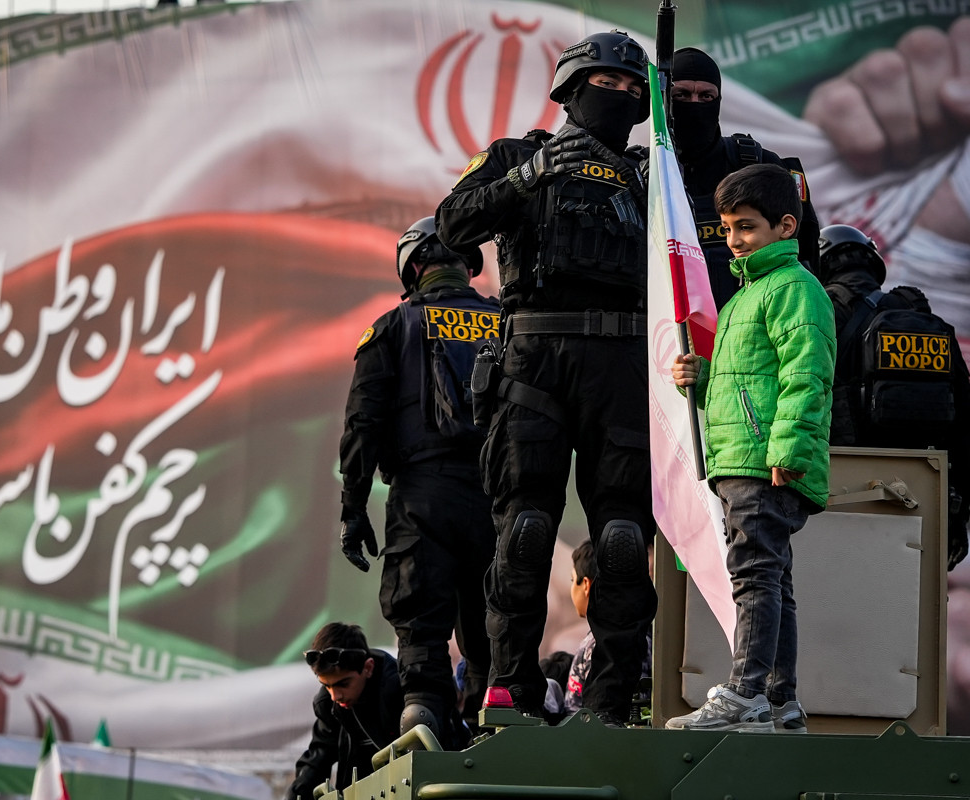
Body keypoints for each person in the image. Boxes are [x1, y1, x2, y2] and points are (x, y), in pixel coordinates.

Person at [435, 29, 659, 727]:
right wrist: (526, 178)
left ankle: (611, 697)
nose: (619, 96)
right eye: (607, 84)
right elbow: (451, 224)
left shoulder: (654, 174)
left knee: (622, 537)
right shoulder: (517, 156)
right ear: (570, 90)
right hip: (536, 354)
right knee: (526, 527)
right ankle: (512, 687)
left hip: (622, 359)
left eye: (632, 89)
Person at [667, 163, 836, 733]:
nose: (735, 240)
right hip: (747, 457)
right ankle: (779, 701)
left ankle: (745, 693)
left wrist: (786, 451)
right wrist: (701, 375)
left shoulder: (793, 288)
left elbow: (806, 374)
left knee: (755, 575)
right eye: (728, 228)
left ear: (786, 226)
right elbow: (749, 379)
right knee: (771, 578)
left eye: (747, 226)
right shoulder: (749, 293)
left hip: (763, 462)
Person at [337, 217, 499, 746]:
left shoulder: (392, 327)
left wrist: (353, 508)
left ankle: (424, 713)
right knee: (492, 619)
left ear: (413, 268)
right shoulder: (508, 322)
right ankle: (493, 719)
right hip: (498, 497)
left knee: (419, 615)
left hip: (422, 495)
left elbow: (363, 425)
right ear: (467, 264)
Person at [818, 224, 970, 571]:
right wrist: (958, 512)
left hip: (837, 487)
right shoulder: (923, 320)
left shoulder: (818, 316)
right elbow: (963, 419)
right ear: (873, 264)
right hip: (920, 491)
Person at [670, 46, 821, 310]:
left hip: (757, 321)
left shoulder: (760, 165)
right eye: (681, 95)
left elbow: (804, 257)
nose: (695, 104)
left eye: (706, 96)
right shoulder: (644, 172)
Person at [288, 622, 403, 800]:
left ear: (368, 668)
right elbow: (318, 758)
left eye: (343, 684)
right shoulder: (328, 704)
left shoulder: (399, 689)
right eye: (327, 686)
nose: (335, 696)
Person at [563, 539, 652, 719]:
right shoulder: (643, 635)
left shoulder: (595, 644)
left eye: (573, 580)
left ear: (586, 585)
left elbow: (577, 714)